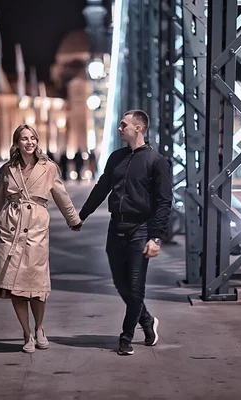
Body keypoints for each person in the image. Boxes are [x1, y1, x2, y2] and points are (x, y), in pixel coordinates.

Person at [0, 124, 83, 353]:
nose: (29, 142)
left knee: (37, 284)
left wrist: (74, 220)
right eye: (24, 138)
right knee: (16, 286)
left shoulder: (49, 168)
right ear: (17, 143)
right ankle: (26, 333)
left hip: (36, 228)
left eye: (33, 138)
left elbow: (61, 196)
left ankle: (40, 327)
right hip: (10, 228)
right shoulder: (7, 170)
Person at [78, 109, 172, 356]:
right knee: (122, 285)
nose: (119, 128)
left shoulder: (156, 161)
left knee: (136, 286)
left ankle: (126, 337)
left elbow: (164, 203)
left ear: (138, 128)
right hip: (115, 227)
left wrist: (156, 237)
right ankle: (147, 320)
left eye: (123, 125)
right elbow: (101, 189)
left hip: (141, 229)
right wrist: (82, 215)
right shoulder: (116, 158)